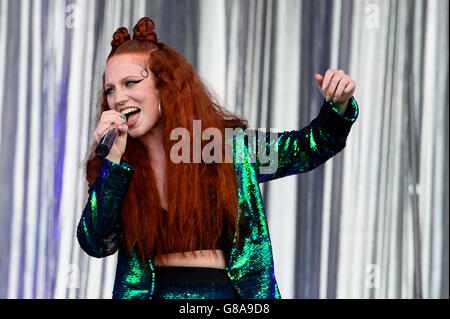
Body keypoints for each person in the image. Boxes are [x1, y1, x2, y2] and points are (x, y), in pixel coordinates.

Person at [77, 17, 359, 299]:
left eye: (130, 83)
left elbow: (309, 148)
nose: (118, 98)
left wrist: (338, 105)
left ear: (165, 85)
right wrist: (112, 164)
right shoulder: (118, 168)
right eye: (110, 90)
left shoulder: (226, 147)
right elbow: (96, 243)